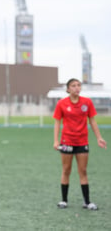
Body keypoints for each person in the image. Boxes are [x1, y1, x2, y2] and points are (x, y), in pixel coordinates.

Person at [53, 78, 107, 210]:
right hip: (66, 141)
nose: (77, 88)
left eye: (78, 85)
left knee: (83, 171)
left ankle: (87, 202)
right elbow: (57, 122)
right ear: (68, 89)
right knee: (66, 170)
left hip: (82, 141)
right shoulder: (61, 103)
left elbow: (92, 121)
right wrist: (56, 140)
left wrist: (99, 137)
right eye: (73, 86)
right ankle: (64, 200)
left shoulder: (87, 102)